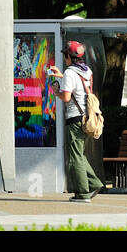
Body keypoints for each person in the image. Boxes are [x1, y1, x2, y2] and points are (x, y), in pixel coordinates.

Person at [48, 41, 104, 202]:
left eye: (65, 55)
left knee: (75, 158)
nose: (64, 58)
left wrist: (56, 91)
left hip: (75, 119)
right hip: (87, 118)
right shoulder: (87, 70)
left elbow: (66, 97)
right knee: (78, 154)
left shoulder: (70, 73)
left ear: (69, 56)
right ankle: (94, 183)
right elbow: (78, 84)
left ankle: (82, 193)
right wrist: (61, 75)